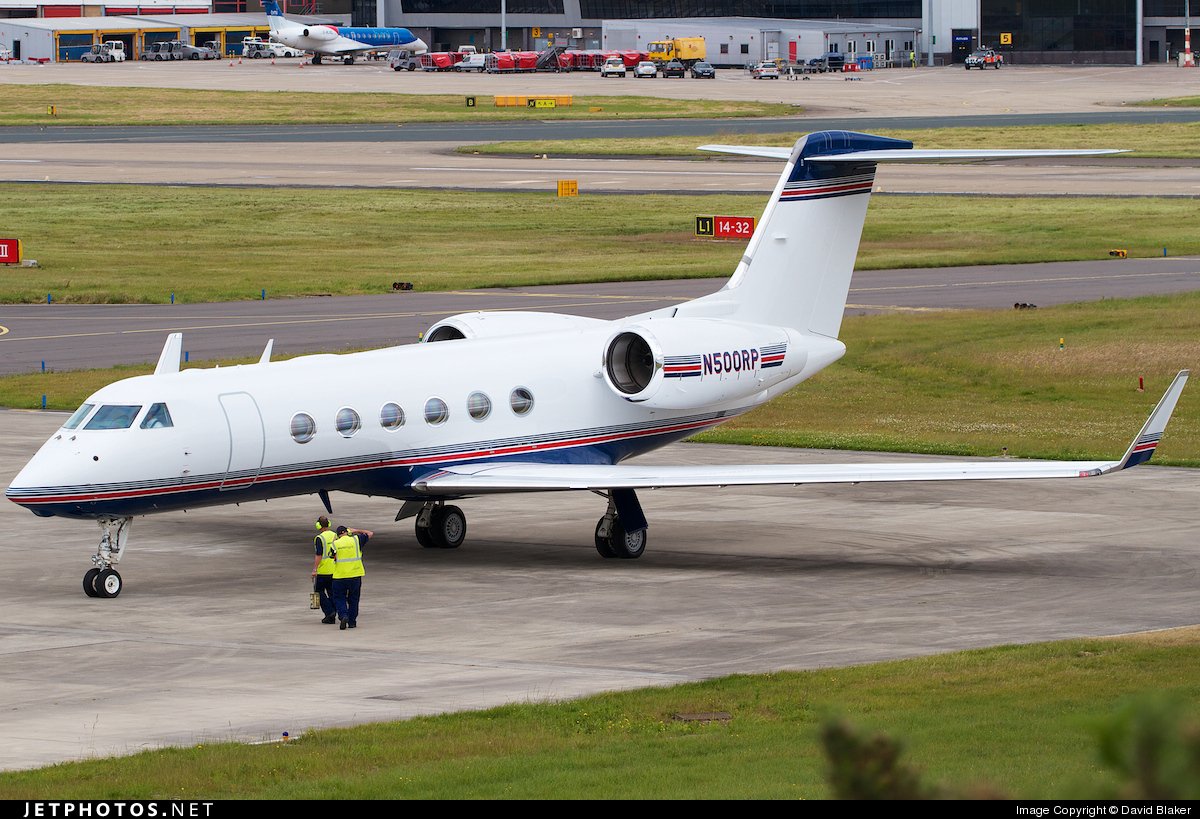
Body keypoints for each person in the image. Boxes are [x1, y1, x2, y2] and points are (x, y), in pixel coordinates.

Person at [331, 524, 373, 630]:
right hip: (355, 575)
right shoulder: (356, 540)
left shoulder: (335, 544)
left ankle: (343, 615)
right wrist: (356, 530)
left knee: (339, 598)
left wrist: (334, 539)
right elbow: (370, 533)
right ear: (347, 532)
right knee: (354, 599)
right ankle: (352, 622)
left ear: (338, 534)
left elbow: (333, 556)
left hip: (340, 576)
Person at [311, 515, 337, 624]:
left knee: (318, 592)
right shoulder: (335, 535)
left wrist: (314, 569)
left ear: (318, 525)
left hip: (323, 570)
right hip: (334, 569)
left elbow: (319, 555)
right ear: (329, 524)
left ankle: (329, 612)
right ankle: (332, 614)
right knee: (332, 592)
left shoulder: (319, 538)